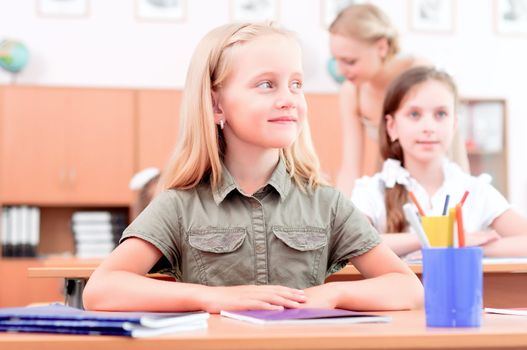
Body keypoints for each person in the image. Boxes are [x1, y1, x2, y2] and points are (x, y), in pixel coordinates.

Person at [83, 22, 423, 313]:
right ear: (216, 105)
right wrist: (211, 298)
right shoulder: (179, 205)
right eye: (266, 84)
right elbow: (102, 289)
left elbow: (407, 288)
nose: (289, 98)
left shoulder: (326, 203)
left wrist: (335, 293)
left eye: (296, 84)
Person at [351, 66, 527, 258]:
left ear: (454, 125)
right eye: (414, 114)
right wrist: (439, 239)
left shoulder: (475, 190)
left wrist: (466, 247)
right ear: (392, 126)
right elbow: (352, 244)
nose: (429, 127)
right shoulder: (370, 191)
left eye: (441, 114)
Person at [328, 4, 469, 196]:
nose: (339, 70)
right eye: (336, 60)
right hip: (392, 186)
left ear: (382, 47)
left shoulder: (422, 75)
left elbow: (450, 154)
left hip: (439, 178)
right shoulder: (351, 92)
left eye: (350, 61)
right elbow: (350, 169)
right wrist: (339, 215)